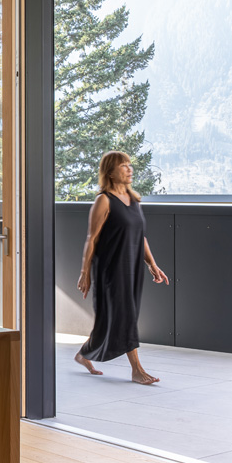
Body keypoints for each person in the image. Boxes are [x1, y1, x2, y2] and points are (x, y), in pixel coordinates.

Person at [75, 150, 170, 384]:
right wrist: (85, 272)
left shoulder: (134, 200)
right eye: (123, 165)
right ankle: (137, 370)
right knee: (126, 315)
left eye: (129, 164)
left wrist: (152, 265)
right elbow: (92, 238)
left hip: (133, 268)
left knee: (114, 317)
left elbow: (141, 236)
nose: (130, 169)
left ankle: (83, 353)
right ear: (110, 172)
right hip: (110, 269)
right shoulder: (104, 200)